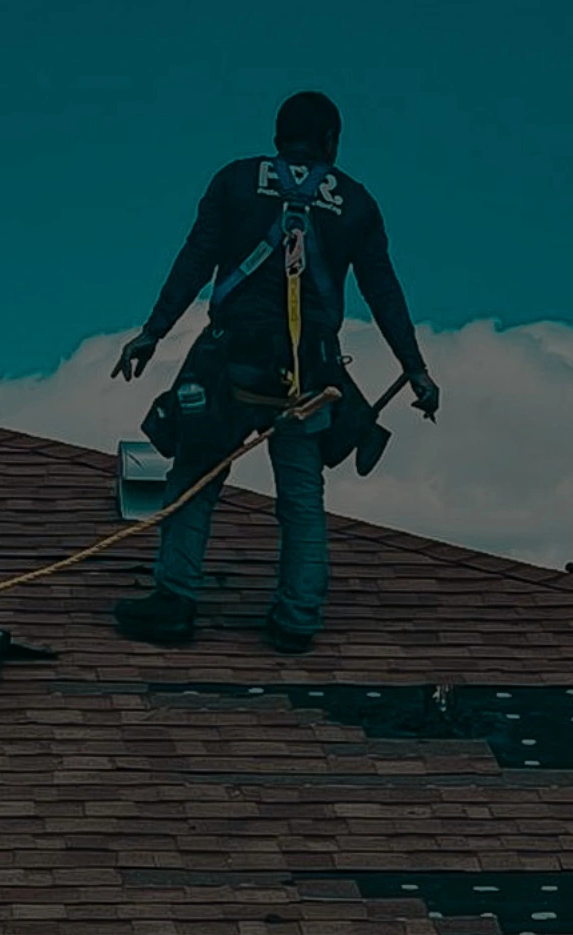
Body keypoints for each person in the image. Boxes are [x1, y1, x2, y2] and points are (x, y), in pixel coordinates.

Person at [109, 91, 438, 655]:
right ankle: (296, 618)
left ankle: (175, 602)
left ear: (276, 138)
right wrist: (416, 370)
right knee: (302, 498)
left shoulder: (236, 181)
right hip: (308, 377)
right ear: (332, 142)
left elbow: (195, 259)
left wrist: (152, 331)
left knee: (193, 477)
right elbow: (384, 293)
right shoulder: (356, 203)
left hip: (228, 367)